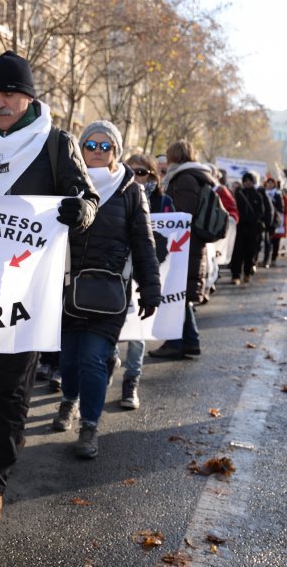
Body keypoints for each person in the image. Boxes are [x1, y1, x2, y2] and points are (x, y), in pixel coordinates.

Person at [0, 50, 99, 528]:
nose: (0, 103)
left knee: (11, 390)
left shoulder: (57, 144)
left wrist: (81, 211)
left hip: (27, 293)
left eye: (10, 95)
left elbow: (86, 197)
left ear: (29, 98)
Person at [52, 121, 160, 458]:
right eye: (90, 146)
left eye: (105, 147)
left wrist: (151, 287)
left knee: (92, 360)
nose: (97, 152)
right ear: (81, 149)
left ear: (116, 152)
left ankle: (89, 427)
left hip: (109, 292)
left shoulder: (131, 190)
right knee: (68, 361)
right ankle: (69, 400)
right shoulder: (67, 183)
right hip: (66, 290)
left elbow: (144, 243)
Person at [115, 153, 173, 410]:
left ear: (153, 176)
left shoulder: (163, 202)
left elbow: (170, 238)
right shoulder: (116, 195)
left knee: (138, 332)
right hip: (117, 272)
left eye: (141, 173)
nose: (135, 177)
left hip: (144, 273)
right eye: (130, 171)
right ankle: (107, 365)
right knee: (112, 330)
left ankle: (131, 381)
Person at [148, 140, 215, 359]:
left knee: (177, 293)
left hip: (185, 246)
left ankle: (177, 342)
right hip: (189, 245)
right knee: (181, 294)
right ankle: (190, 340)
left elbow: (181, 215)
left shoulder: (184, 179)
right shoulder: (192, 176)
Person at [227, 171, 267, 285]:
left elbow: (261, 212)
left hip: (253, 229)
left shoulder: (258, 195)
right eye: (245, 181)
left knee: (250, 252)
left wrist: (254, 219)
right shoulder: (238, 194)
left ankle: (247, 273)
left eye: (249, 181)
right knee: (237, 252)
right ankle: (236, 275)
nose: (247, 183)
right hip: (240, 228)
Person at [262, 177, 284, 268]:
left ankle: (271, 259)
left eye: (271, 183)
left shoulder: (277, 194)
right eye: (268, 183)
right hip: (263, 220)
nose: (269, 184)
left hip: (273, 221)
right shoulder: (263, 193)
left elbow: (281, 208)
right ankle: (263, 260)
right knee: (263, 241)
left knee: (272, 241)